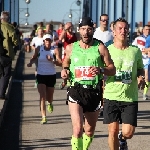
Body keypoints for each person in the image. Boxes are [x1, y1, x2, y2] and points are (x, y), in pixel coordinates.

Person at [61, 17, 116, 150]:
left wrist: (101, 69)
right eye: (83, 29)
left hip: (94, 91)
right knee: (78, 129)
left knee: (89, 131)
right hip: (76, 90)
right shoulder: (71, 48)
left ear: (93, 30)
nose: (86, 32)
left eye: (89, 29)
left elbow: (112, 69)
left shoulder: (100, 47)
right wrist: (65, 70)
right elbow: (66, 62)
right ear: (79, 30)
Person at [103, 18, 145, 150]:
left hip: (129, 97)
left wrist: (141, 77)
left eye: (125, 28)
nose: (123, 31)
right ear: (114, 31)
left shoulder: (135, 51)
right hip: (111, 95)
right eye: (120, 28)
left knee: (129, 132)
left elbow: (140, 68)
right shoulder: (106, 50)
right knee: (112, 131)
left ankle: (123, 139)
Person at [27, 34, 62, 124]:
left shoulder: (55, 50)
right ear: (43, 41)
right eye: (46, 41)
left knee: (49, 97)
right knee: (42, 96)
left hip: (51, 75)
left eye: (49, 41)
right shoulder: (39, 48)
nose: (47, 42)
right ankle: (44, 117)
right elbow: (34, 57)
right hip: (41, 74)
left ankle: (50, 103)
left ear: (51, 41)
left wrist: (52, 60)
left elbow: (60, 63)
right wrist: (30, 62)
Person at [0, 11, 18, 99]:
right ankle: (2, 93)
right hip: (6, 53)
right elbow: (15, 39)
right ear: (8, 19)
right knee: (6, 74)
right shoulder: (9, 27)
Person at [132, 25, 150, 100]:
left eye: (149, 29)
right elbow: (132, 47)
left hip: (147, 61)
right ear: (143, 30)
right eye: (146, 29)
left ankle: (144, 94)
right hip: (139, 61)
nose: (148, 31)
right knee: (137, 78)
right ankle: (134, 92)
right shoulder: (138, 39)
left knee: (147, 78)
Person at [59, 22, 77, 89]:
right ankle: (65, 81)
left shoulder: (75, 35)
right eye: (69, 27)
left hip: (74, 55)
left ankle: (71, 82)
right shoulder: (65, 35)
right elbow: (60, 39)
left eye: (71, 27)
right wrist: (65, 29)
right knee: (65, 70)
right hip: (66, 55)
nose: (70, 28)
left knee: (72, 70)